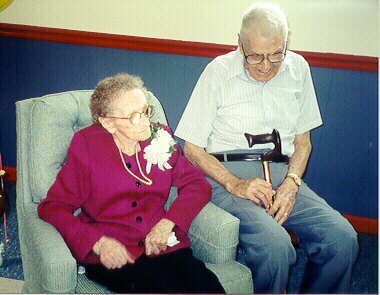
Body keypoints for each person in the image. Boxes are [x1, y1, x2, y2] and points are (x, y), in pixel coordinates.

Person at [175, 2, 358, 294]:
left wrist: (292, 183)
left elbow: (303, 142)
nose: (266, 66)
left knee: (342, 238)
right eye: (256, 56)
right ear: (239, 43)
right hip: (227, 175)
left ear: (286, 43)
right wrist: (235, 183)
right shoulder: (218, 72)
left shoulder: (298, 68)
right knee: (276, 246)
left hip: (282, 172)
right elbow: (192, 149)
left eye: (276, 55)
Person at [38, 73, 225, 294]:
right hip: (115, 254)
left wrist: (168, 223)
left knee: (209, 286)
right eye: (135, 116)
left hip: (162, 245)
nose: (146, 122)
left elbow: (198, 185)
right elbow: (53, 207)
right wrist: (98, 243)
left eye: (146, 111)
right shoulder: (87, 146)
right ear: (108, 122)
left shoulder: (160, 137)